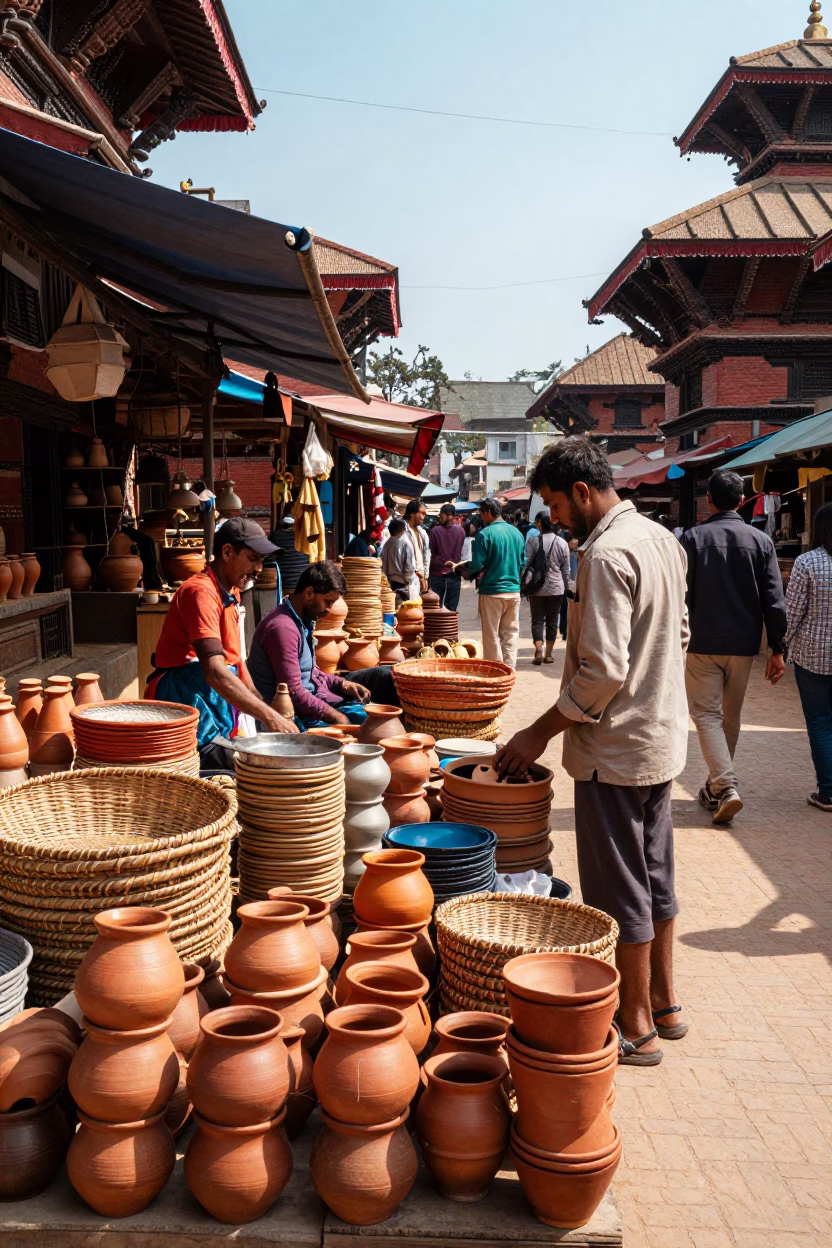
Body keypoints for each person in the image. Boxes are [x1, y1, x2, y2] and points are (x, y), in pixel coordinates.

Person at [496, 437, 689, 1067]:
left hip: (614, 749)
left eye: (553, 504)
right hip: (659, 738)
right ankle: (665, 1002)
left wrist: (537, 733)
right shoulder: (661, 539)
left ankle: (635, 1025)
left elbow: (602, 672)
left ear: (582, 492)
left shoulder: (605, 555)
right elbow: (680, 633)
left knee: (619, 888)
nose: (551, 517)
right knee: (655, 876)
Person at [147, 518, 298, 770]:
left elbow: (237, 661)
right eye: (253, 559)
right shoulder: (201, 592)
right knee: (250, 770)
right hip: (185, 703)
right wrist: (269, 716)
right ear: (227, 552)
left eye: (262, 560)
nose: (259, 568)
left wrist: (263, 709)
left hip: (212, 699)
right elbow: (215, 671)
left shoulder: (230, 591)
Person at [680, 469, 786, 825]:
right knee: (729, 718)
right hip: (743, 645)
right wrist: (777, 647)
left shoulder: (692, 540)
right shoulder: (761, 542)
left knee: (706, 716)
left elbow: (680, 595)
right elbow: (774, 599)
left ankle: (723, 786)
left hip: (701, 640)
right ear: (742, 501)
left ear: (707, 500)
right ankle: (715, 790)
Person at [248, 561, 398, 729]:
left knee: (386, 678)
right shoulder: (283, 629)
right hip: (292, 717)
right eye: (328, 601)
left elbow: (312, 673)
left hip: (312, 699)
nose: (329, 609)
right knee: (372, 724)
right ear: (309, 593)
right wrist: (337, 717)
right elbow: (294, 694)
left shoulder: (301, 622)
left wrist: (342, 684)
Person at [785, 502, 832, 811]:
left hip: (813, 656)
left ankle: (828, 791)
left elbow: (792, 614)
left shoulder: (807, 563)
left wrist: (781, 647)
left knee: (819, 722)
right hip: (813, 657)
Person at [450, 497, 525, 668]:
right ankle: (509, 669)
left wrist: (460, 569)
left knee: (491, 635)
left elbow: (477, 564)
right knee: (511, 633)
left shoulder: (485, 534)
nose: (481, 518)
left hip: (492, 592)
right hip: (513, 591)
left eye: (482, 514)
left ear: (489, 513)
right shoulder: (517, 533)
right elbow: (523, 562)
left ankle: (495, 670)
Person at [523, 513, 570, 665]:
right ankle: (548, 654)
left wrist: (524, 583)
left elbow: (527, 564)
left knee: (537, 620)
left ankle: (538, 650)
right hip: (556, 588)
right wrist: (566, 588)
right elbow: (566, 570)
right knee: (552, 621)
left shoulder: (533, 541)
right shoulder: (562, 543)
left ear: (540, 525)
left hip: (536, 587)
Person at [428, 504, 465, 610]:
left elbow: (432, 550)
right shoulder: (461, 531)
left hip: (437, 574)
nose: (440, 518)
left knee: (435, 607)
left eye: (442, 515)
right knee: (451, 609)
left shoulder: (435, 531)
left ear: (450, 516)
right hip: (453, 573)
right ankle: (450, 627)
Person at [381, 517, 418, 602]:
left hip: (390, 583)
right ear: (403, 529)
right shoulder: (405, 543)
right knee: (404, 611)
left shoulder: (387, 544)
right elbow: (409, 567)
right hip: (403, 584)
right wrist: (412, 582)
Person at [403, 499, 430, 594]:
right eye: (421, 513)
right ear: (412, 513)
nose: (424, 517)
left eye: (425, 514)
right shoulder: (401, 531)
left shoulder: (423, 533)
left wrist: (425, 576)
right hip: (404, 579)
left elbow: (426, 555)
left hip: (419, 578)